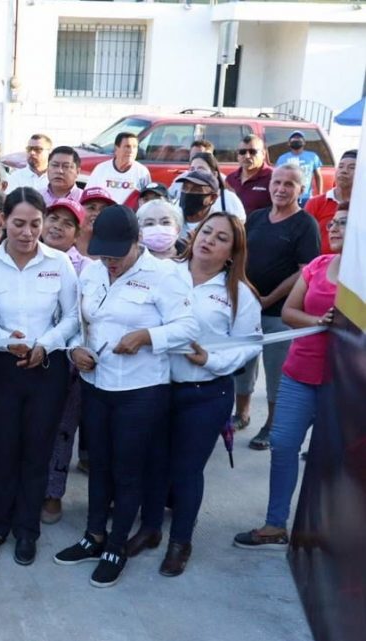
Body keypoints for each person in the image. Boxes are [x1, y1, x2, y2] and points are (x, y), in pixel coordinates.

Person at [53, 205, 196, 588]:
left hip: (141, 390)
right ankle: (93, 535)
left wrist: (147, 337)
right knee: (98, 463)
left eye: (117, 255)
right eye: (103, 255)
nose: (110, 263)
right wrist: (73, 349)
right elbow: (79, 322)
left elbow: (188, 326)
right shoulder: (94, 270)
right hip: (96, 384)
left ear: (137, 243)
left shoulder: (165, 275)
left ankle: (117, 544)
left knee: (127, 468)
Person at [124, 212, 262, 576]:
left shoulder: (239, 294)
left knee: (186, 471)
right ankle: (150, 529)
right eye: (206, 232)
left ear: (232, 253)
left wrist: (211, 359)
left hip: (206, 393)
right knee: (153, 463)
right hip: (157, 386)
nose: (208, 240)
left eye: (220, 238)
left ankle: (180, 541)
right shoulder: (166, 274)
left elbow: (249, 346)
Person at [0, 188, 79, 566]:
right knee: (2, 450)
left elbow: (71, 317)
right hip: (1, 368)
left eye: (36, 223)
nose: (27, 232)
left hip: (46, 369)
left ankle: (26, 530)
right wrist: (5, 340)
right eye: (18, 223)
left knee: (37, 452)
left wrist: (46, 344)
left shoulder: (60, 263)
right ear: (3, 220)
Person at [233, 204, 345, 551]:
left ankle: (327, 530)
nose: (336, 227)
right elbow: (289, 313)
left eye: (346, 223)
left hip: (342, 385)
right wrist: (319, 322)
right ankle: (275, 524)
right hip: (299, 374)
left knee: (332, 458)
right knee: (283, 446)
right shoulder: (318, 266)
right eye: (335, 222)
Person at [236, 165, 321, 449]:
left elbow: (304, 271)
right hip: (248, 310)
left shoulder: (305, 224)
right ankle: (242, 413)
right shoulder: (257, 218)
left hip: (279, 314)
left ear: (301, 189)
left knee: (276, 373)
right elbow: (240, 256)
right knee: (243, 366)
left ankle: (272, 424)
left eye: (289, 184)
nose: (281, 189)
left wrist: (269, 298)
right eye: (277, 182)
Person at [40, 197, 93, 524]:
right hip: (28, 359)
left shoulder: (87, 268)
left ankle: (52, 494)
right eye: (53, 219)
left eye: (67, 223)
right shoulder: (26, 256)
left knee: (62, 430)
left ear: (77, 233)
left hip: (69, 362)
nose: (57, 226)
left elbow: (83, 319)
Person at [304, 150, 355, 254]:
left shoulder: (361, 205)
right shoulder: (315, 203)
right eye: (340, 166)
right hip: (319, 266)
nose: (344, 171)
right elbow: (303, 239)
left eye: (352, 167)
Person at [88, 132, 152, 205]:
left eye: (134, 147)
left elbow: (147, 201)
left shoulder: (142, 172)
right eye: (127, 146)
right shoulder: (101, 169)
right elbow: (89, 196)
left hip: (130, 215)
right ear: (116, 149)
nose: (131, 151)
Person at [226, 135, 274, 215]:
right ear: (238, 155)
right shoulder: (230, 179)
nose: (247, 156)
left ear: (263, 154)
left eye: (252, 152)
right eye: (242, 152)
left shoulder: (274, 178)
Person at [275, 130, 322, 205]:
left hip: (306, 197)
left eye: (299, 138)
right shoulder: (282, 158)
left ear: (304, 142)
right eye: (293, 139)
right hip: (287, 196)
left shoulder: (313, 157)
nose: (296, 140)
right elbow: (277, 177)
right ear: (289, 143)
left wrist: (320, 195)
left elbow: (318, 176)